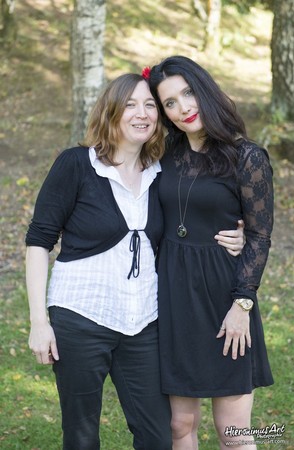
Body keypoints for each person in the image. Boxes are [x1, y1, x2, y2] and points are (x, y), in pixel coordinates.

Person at [25, 72, 244, 450]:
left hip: (143, 323)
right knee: (81, 435)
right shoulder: (77, 165)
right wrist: (38, 322)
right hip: (80, 316)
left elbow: (192, 220)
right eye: (130, 105)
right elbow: (38, 242)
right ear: (111, 111)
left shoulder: (162, 172)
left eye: (149, 106)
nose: (141, 113)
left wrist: (235, 237)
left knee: (158, 436)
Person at [146, 55, 274, 450]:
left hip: (225, 299)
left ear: (204, 89)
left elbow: (259, 236)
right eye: (169, 102)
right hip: (173, 298)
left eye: (187, 93)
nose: (183, 107)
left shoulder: (246, 157)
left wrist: (242, 304)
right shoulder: (163, 154)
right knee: (179, 426)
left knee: (233, 434)